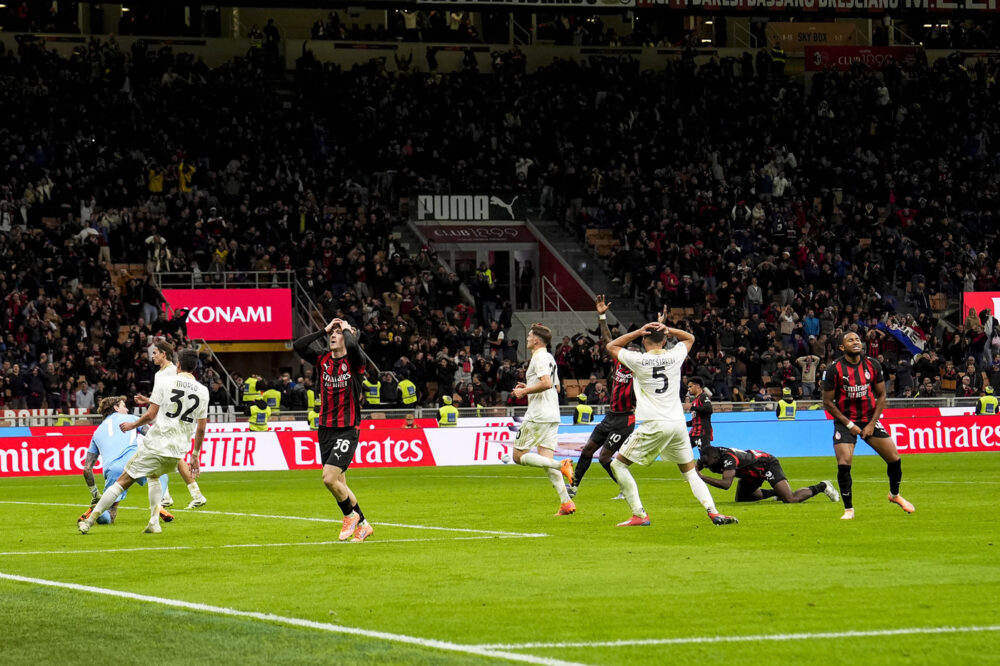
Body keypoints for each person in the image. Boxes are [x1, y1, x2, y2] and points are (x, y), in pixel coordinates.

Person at [606, 321, 738, 527]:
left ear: (644, 340)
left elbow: (611, 346)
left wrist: (638, 331)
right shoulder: (674, 355)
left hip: (655, 423)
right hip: (677, 424)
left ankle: (639, 514)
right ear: (665, 340)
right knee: (690, 472)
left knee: (618, 465)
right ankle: (714, 512)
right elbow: (690, 338)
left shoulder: (638, 360)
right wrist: (669, 329)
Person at [79, 350, 208, 534]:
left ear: (178, 364)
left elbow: (151, 415)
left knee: (122, 482)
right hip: (179, 449)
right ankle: (154, 522)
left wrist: (133, 425)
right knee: (154, 476)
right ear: (194, 368)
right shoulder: (203, 391)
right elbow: (201, 428)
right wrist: (195, 455)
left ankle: (89, 521)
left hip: (157, 443)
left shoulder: (165, 382)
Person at [293, 318, 374, 543]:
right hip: (326, 428)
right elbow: (299, 345)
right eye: (333, 333)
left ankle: (349, 515)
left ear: (347, 337)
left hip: (348, 428)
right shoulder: (323, 359)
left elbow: (354, 346)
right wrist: (324, 330)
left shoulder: (355, 361)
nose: (334, 336)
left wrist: (348, 330)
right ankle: (364, 525)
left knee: (329, 479)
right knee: (341, 484)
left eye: (339, 333)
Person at [822, 331, 915, 520]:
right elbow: (827, 402)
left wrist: (872, 424)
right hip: (844, 420)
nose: (856, 342)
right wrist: (849, 425)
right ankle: (849, 509)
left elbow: (882, 395)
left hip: (869, 419)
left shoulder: (873, 364)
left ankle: (894, 495)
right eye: (850, 340)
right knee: (844, 462)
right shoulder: (834, 369)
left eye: (857, 339)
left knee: (894, 459)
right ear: (842, 347)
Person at [568, 295, 635, 500]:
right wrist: (602, 316)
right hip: (610, 416)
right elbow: (608, 340)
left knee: (605, 457)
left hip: (625, 419)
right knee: (588, 449)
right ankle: (574, 486)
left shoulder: (639, 370)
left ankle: (626, 489)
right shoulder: (619, 363)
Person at [510, 323, 576, 515]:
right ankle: (566, 503)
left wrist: (525, 391)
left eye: (530, 335)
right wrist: (529, 385)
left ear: (537, 340)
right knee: (545, 459)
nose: (528, 338)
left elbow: (546, 383)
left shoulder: (539, 357)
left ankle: (561, 465)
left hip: (538, 415)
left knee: (518, 456)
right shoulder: (549, 357)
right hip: (552, 414)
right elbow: (556, 387)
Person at [135, 339, 207, 509]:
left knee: (163, 455)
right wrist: (148, 400)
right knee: (167, 456)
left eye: (155, 353)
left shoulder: (173, 372)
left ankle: (191, 495)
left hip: (170, 423)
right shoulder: (159, 374)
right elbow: (164, 398)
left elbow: (177, 397)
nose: (152, 356)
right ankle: (177, 495)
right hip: (163, 421)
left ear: (163, 354)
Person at [79, 396, 174, 525]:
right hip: (134, 462)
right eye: (124, 406)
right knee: (161, 474)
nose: (127, 409)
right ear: (116, 408)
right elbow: (152, 436)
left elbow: (87, 469)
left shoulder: (97, 432)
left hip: (113, 469)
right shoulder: (131, 419)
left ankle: (98, 510)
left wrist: (95, 493)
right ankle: (159, 503)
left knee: (109, 515)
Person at [697, 444, 840, 504]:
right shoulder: (710, 456)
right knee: (742, 499)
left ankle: (822, 486)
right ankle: (776, 492)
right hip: (750, 474)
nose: (708, 467)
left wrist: (702, 477)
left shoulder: (729, 458)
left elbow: (726, 484)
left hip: (766, 465)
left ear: (716, 458)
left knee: (790, 499)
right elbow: (695, 467)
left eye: (709, 465)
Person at [684, 376, 713, 449]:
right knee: (683, 451)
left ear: (697, 386)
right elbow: (695, 421)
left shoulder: (703, 396)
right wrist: (683, 424)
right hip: (694, 433)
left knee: (705, 454)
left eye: (690, 386)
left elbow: (709, 409)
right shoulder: (694, 401)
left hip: (702, 433)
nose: (688, 389)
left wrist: (692, 407)